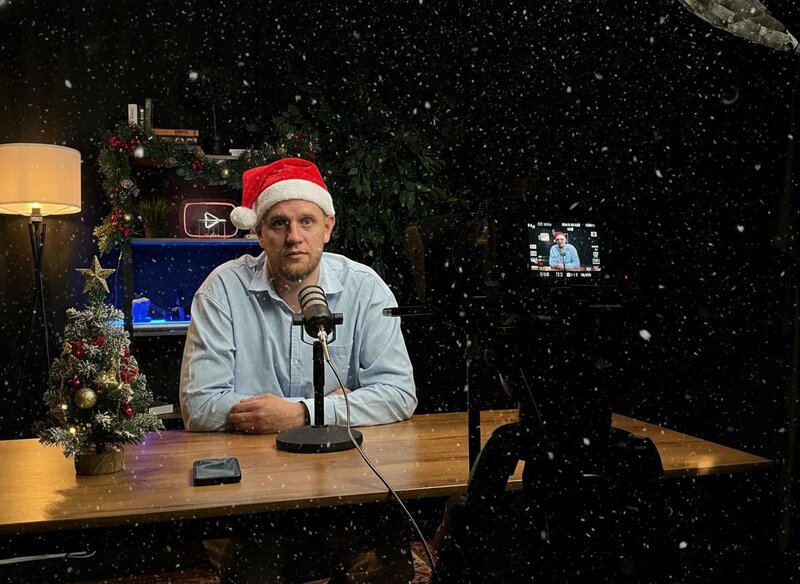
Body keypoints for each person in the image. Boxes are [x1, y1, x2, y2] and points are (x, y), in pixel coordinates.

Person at [179, 157, 417, 583]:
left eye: (306, 221)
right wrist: (339, 404)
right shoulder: (222, 291)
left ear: (327, 227)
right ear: (258, 232)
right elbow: (199, 406)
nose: (294, 237)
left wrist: (301, 413)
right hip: (253, 488)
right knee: (253, 566)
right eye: (279, 224)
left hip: (345, 479)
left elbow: (399, 393)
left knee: (388, 560)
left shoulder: (365, 289)